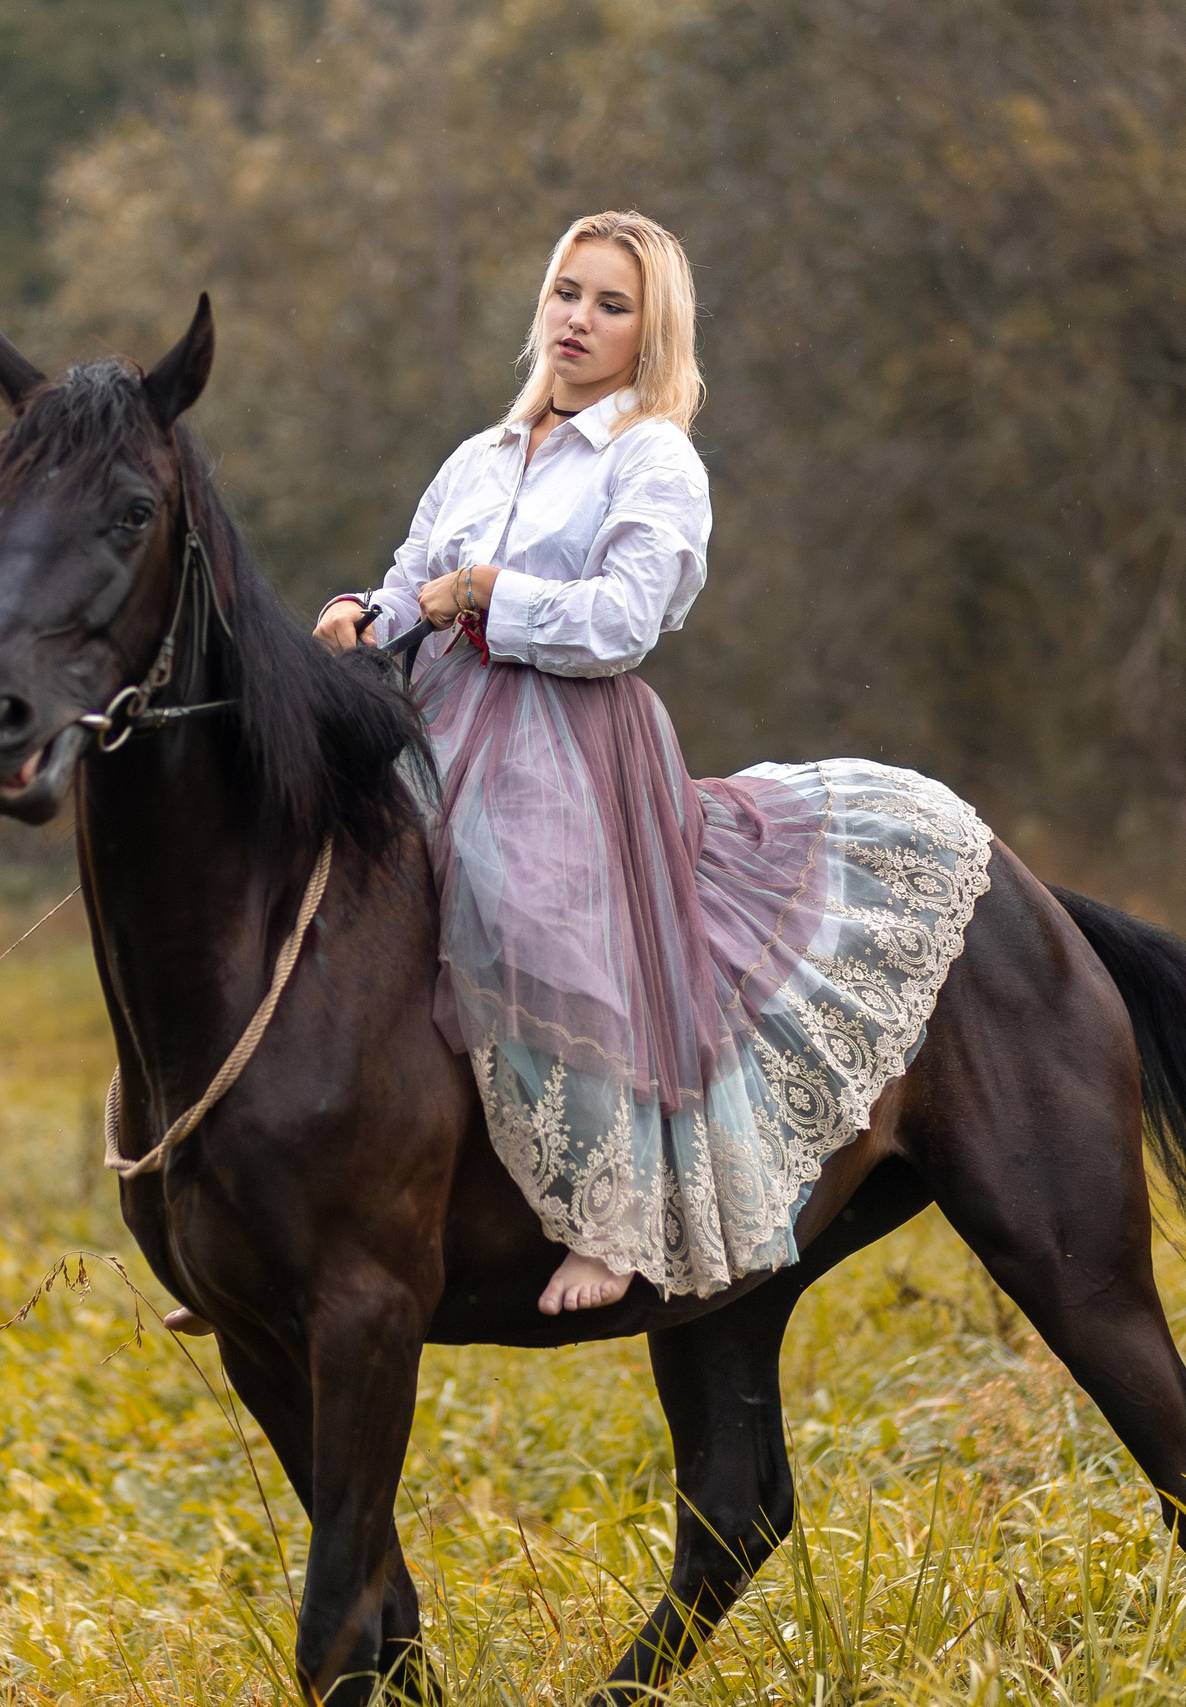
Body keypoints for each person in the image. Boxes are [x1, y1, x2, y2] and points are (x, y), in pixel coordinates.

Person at [317, 210, 994, 1315]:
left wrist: (487, 594)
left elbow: (622, 622)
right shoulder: (480, 457)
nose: (578, 319)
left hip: (563, 738)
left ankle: (614, 1221)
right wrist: (360, 613)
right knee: (327, 896)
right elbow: (408, 584)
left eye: (611, 305)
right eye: (566, 293)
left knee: (524, 920)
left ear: (651, 331)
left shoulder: (653, 458)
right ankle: (294, 1210)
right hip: (433, 720)